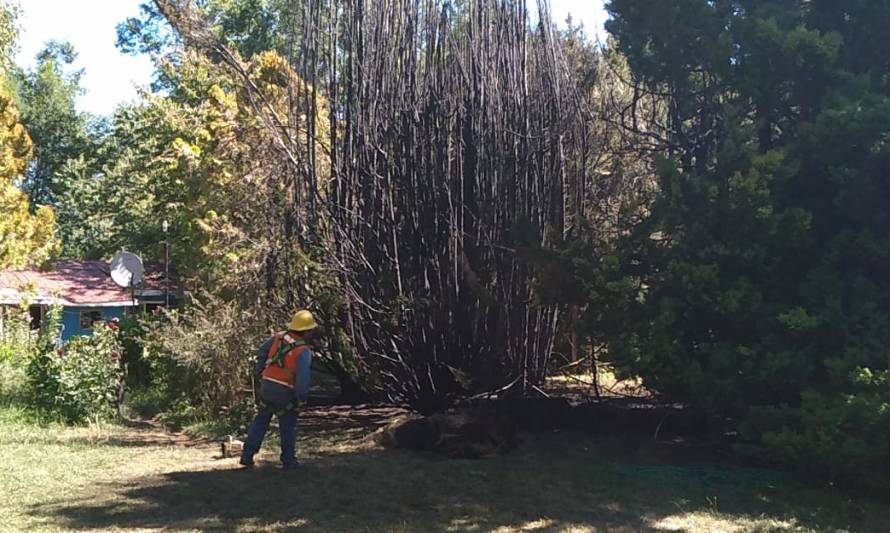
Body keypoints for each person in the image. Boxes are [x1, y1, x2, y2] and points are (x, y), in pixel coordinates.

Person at [240, 309, 316, 469]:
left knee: (261, 420)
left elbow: (262, 350)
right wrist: (301, 398)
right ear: (307, 330)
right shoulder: (304, 351)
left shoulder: (278, 337)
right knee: (288, 424)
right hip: (285, 390)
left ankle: (247, 455)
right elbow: (302, 379)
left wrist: (260, 370)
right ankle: (289, 461)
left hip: (267, 385)